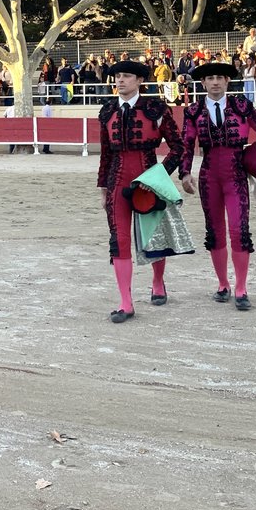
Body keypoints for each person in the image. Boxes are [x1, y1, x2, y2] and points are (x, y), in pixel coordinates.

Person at [180, 62, 256, 311]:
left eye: (220, 78)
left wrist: (253, 156)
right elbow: (186, 144)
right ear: (202, 83)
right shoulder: (193, 110)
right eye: (210, 78)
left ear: (227, 82)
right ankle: (223, 284)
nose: (215, 82)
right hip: (209, 176)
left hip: (236, 175)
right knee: (214, 230)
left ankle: (241, 288)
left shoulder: (242, 106)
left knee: (239, 229)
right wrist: (184, 173)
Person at [97, 60, 184, 323]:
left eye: (125, 76)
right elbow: (105, 154)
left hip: (149, 180)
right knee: (120, 239)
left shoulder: (156, 109)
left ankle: (158, 282)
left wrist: (158, 178)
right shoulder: (108, 110)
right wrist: (102, 187)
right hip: (117, 181)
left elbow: (178, 147)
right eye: (117, 76)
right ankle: (126, 302)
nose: (120, 80)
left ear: (139, 81)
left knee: (153, 237)